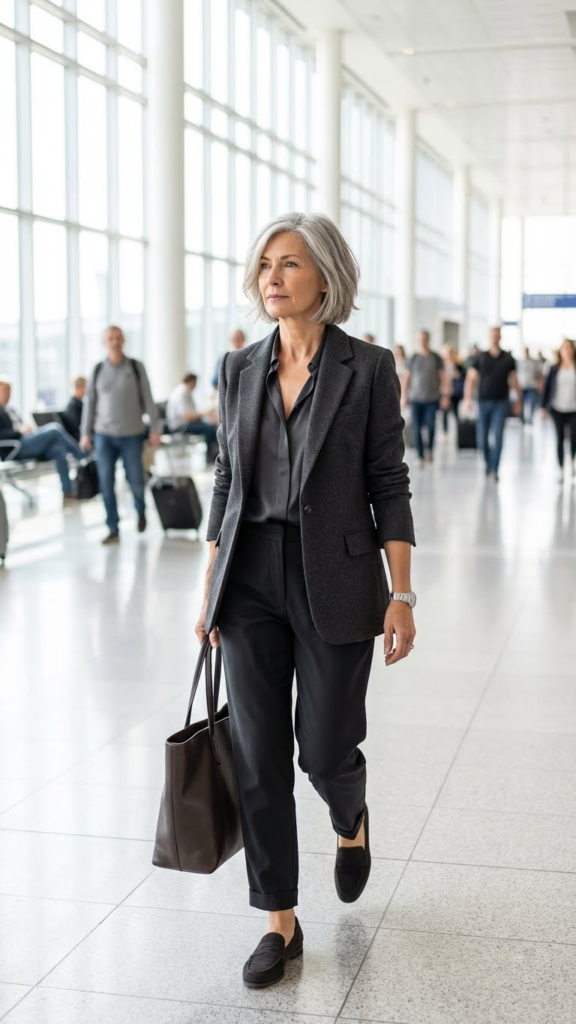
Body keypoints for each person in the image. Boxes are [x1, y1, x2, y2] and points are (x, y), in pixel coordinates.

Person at [196, 212, 416, 988]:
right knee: (258, 755)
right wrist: (211, 586)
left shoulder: (369, 368)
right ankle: (279, 923)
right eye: (265, 265)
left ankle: (350, 819)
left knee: (323, 747)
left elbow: (388, 481)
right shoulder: (238, 369)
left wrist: (402, 593)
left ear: (326, 276)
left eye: (289, 264)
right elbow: (226, 483)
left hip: (339, 577)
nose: (273, 277)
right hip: (250, 576)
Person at [80, 326, 160, 544]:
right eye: (110, 338)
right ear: (104, 342)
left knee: (135, 478)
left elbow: (148, 399)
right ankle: (112, 527)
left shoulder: (135, 367)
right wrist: (85, 433)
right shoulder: (97, 370)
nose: (114, 342)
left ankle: (140, 510)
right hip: (103, 435)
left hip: (132, 434)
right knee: (106, 482)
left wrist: (154, 429)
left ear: (123, 341)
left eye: (118, 338)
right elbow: (90, 404)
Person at [0, 378, 83, 502]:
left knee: (58, 451)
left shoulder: (10, 410)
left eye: (9, 391)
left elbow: (20, 425)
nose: (8, 394)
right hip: (15, 447)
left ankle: (68, 492)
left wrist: (27, 429)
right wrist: (19, 432)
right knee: (54, 429)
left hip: (26, 442)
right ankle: (81, 455)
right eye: (5, 390)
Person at [464, 326, 521, 481]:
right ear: (490, 337)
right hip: (483, 402)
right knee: (481, 438)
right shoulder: (481, 357)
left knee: (498, 436)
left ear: (500, 337)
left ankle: (495, 469)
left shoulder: (508, 358)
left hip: (501, 402)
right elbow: (471, 379)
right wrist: (467, 399)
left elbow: (515, 381)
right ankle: (488, 463)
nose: (495, 337)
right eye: (492, 335)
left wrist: (518, 401)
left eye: (497, 335)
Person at [400, 330, 448, 466]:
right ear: (418, 340)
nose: (422, 341)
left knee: (431, 426)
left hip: (432, 399)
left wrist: (445, 395)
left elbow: (443, 378)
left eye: (425, 338)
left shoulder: (436, 358)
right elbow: (406, 378)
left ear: (428, 339)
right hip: (415, 399)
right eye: (420, 338)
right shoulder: (413, 358)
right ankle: (420, 455)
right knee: (416, 428)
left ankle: (430, 450)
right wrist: (403, 396)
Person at [540, 337, 576, 482]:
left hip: (574, 408)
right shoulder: (554, 369)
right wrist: (543, 407)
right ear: (561, 351)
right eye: (564, 347)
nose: (567, 350)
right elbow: (547, 389)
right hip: (557, 408)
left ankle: (572, 463)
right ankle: (561, 469)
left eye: (569, 347)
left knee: (574, 438)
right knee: (559, 439)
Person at [166, 372, 219, 462]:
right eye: (195, 383)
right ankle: (210, 457)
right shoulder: (181, 393)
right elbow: (187, 416)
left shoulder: (185, 392)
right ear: (191, 381)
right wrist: (205, 413)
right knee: (208, 429)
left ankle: (214, 454)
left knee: (212, 427)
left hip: (185, 423)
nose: (195, 386)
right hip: (180, 426)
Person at [441, 346, 465, 434]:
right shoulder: (442, 365)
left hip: (455, 393)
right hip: (446, 392)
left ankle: (459, 432)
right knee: (445, 413)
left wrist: (457, 375)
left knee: (456, 413)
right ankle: (445, 432)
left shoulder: (458, 365)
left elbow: (463, 376)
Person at [517, 347, 542, 425]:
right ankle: (522, 420)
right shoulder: (520, 362)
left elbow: (538, 373)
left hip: (531, 385)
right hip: (522, 386)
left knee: (532, 403)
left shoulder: (533, 362)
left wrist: (539, 383)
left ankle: (530, 418)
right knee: (521, 403)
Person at [60, 376, 87, 441]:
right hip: (78, 440)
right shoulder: (74, 406)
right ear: (81, 387)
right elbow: (78, 429)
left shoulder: (78, 404)